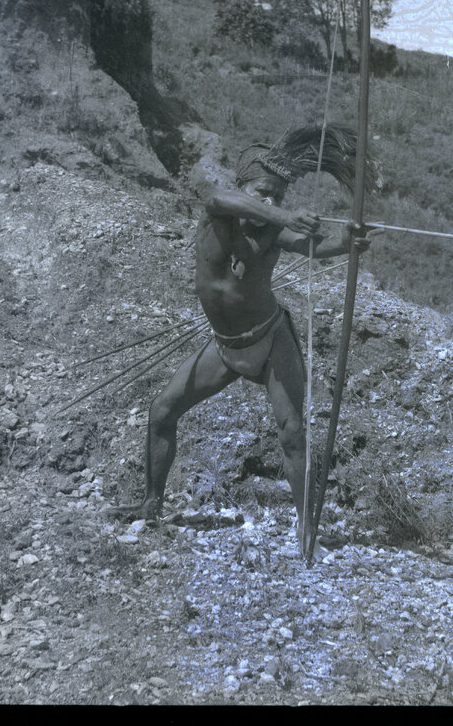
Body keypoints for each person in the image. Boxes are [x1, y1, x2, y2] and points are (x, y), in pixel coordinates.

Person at [116, 125, 376, 550]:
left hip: (272, 341)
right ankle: (150, 504)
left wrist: (348, 242)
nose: (270, 201)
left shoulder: (274, 230)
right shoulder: (218, 214)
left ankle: (307, 526)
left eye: (279, 195)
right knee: (162, 411)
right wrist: (283, 214)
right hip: (224, 347)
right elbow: (218, 198)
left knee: (292, 433)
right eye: (262, 191)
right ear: (243, 187)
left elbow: (313, 246)